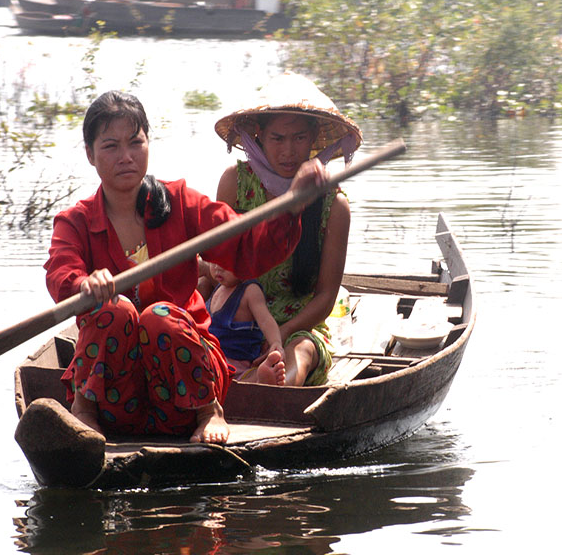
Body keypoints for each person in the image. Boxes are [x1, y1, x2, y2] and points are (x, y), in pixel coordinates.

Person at [43, 90, 326, 444]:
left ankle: (211, 412)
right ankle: (84, 411)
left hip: (184, 393)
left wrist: (291, 207)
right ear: (90, 154)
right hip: (115, 400)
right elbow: (60, 273)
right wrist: (84, 284)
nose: (126, 157)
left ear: (148, 144)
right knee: (114, 309)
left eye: (135, 143)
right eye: (111, 146)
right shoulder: (76, 221)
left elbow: (247, 247)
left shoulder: (179, 202)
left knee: (158, 316)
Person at [212, 72, 362, 386]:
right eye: (277, 139)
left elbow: (325, 298)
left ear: (314, 137)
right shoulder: (234, 183)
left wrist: (278, 335)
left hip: (297, 325)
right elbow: (215, 263)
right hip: (236, 317)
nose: (288, 151)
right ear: (259, 135)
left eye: (299, 138)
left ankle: (270, 385)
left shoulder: (334, 205)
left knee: (301, 353)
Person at [205, 261, 286, 386]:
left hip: (238, 363)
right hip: (213, 358)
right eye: (214, 260)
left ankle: (260, 379)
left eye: (225, 260)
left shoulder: (250, 290)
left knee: (242, 379)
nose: (218, 267)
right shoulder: (220, 288)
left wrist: (275, 342)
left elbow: (265, 320)